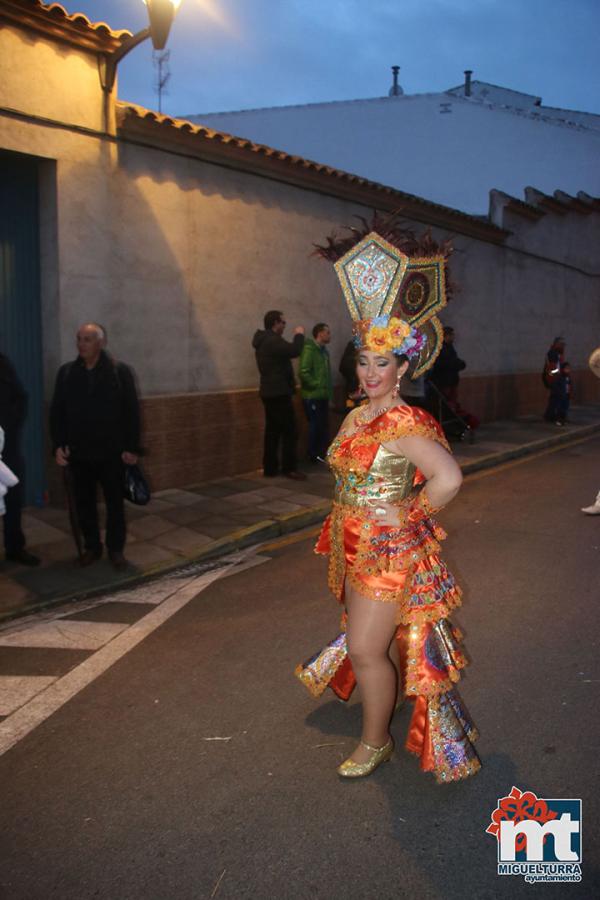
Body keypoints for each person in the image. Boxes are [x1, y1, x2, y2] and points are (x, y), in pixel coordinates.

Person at [296, 231, 480, 783]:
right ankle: (387, 704)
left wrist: (410, 513)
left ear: (403, 369)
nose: (370, 372)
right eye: (363, 361)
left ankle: (374, 742)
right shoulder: (358, 415)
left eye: (382, 363)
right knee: (373, 641)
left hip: (386, 551)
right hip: (353, 542)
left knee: (365, 648)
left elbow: (449, 476)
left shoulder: (404, 422)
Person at [49, 323, 141, 570]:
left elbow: (131, 412)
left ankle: (115, 550)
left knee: (114, 504)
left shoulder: (118, 372)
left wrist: (131, 447)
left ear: (100, 343)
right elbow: (57, 412)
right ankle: (92, 546)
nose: (81, 344)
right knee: (84, 504)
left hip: (111, 453)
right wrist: (58, 445)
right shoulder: (67, 373)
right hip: (79, 453)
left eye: (87, 339)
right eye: (79, 339)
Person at [252, 310, 306, 480]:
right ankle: (289, 468)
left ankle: (270, 468)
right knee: (290, 430)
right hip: (278, 392)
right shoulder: (271, 340)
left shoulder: (264, 341)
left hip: (269, 391)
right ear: (275, 323)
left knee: (273, 431)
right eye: (283, 322)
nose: (285, 325)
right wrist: (299, 335)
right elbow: (295, 350)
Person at [0, 352, 40, 566]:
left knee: (13, 500)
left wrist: (8, 427)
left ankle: (15, 548)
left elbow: (21, 397)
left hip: (7, 449)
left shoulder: (2, 362)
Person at [299, 323, 333, 463]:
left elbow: (327, 375)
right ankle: (312, 454)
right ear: (319, 333)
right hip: (312, 395)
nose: (330, 335)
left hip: (322, 395)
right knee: (315, 425)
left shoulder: (324, 351)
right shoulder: (309, 349)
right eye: (327, 332)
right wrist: (316, 385)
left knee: (322, 425)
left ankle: (321, 453)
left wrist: (328, 393)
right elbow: (303, 371)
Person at [543, 336, 566, 421]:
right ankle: (551, 415)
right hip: (554, 379)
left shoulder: (558, 353)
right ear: (557, 344)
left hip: (556, 378)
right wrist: (558, 376)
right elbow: (552, 369)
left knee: (556, 398)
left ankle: (551, 415)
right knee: (556, 397)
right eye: (562, 344)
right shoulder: (553, 353)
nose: (563, 346)